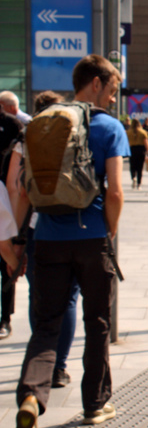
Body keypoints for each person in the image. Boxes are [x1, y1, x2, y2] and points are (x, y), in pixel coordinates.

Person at [14, 54, 128, 428]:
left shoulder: (43, 124)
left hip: (47, 238)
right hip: (91, 236)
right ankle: (95, 403)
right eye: (112, 89)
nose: (114, 98)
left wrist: (17, 239)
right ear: (95, 84)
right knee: (97, 321)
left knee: (46, 325)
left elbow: (21, 189)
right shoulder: (108, 127)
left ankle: (31, 398)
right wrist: (109, 231)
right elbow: (115, 191)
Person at [7, 91, 79, 389]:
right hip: (73, 224)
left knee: (39, 296)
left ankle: (41, 363)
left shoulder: (26, 139)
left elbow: (17, 188)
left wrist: (15, 235)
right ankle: (60, 367)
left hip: (38, 228)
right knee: (70, 299)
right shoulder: (73, 134)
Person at [0, 106, 22, 340]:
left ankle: (5, 318)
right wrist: (15, 263)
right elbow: (4, 245)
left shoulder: (13, 124)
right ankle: (4, 319)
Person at [126, 118, 148, 190]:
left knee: (132, 165)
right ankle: (139, 184)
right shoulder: (143, 132)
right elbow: (146, 142)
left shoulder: (128, 132)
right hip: (141, 150)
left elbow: (126, 142)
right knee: (140, 167)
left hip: (132, 149)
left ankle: (133, 177)